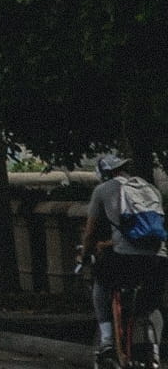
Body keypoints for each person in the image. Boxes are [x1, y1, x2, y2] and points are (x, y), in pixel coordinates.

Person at [86, 153, 168, 367]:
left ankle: (106, 341)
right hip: (158, 259)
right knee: (151, 306)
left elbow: (90, 232)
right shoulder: (150, 189)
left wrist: (86, 253)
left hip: (124, 259)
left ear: (103, 173)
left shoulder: (102, 190)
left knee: (101, 283)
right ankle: (155, 352)